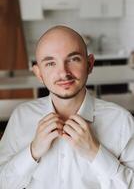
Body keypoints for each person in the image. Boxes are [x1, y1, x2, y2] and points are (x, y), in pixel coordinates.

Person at [0, 25, 134, 189]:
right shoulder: (21, 117)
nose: (63, 72)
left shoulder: (121, 121)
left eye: (73, 59)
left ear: (89, 64)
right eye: (50, 63)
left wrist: (95, 152)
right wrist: (32, 151)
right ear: (39, 73)